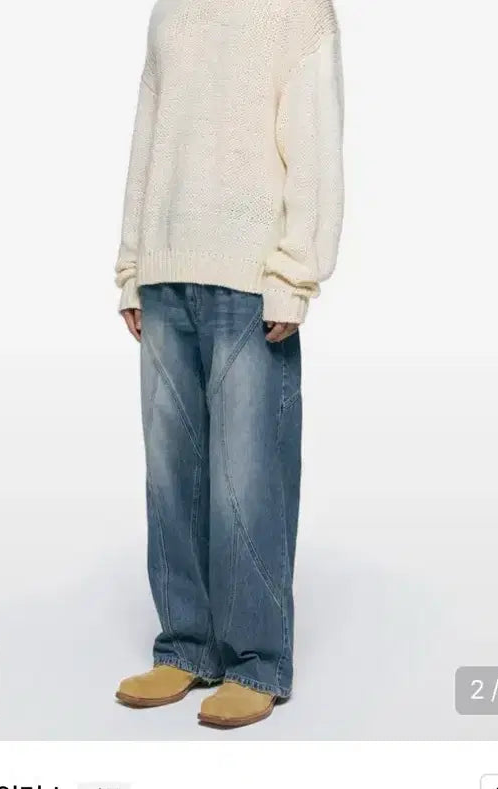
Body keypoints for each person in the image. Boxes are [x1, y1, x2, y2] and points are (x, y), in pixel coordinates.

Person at [113, 0, 344, 727]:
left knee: (248, 478)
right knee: (170, 476)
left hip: (249, 278)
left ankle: (256, 660)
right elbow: (148, 136)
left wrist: (295, 274)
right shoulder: (170, 11)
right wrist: (133, 266)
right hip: (166, 271)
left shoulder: (297, 11)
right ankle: (186, 646)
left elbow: (315, 141)